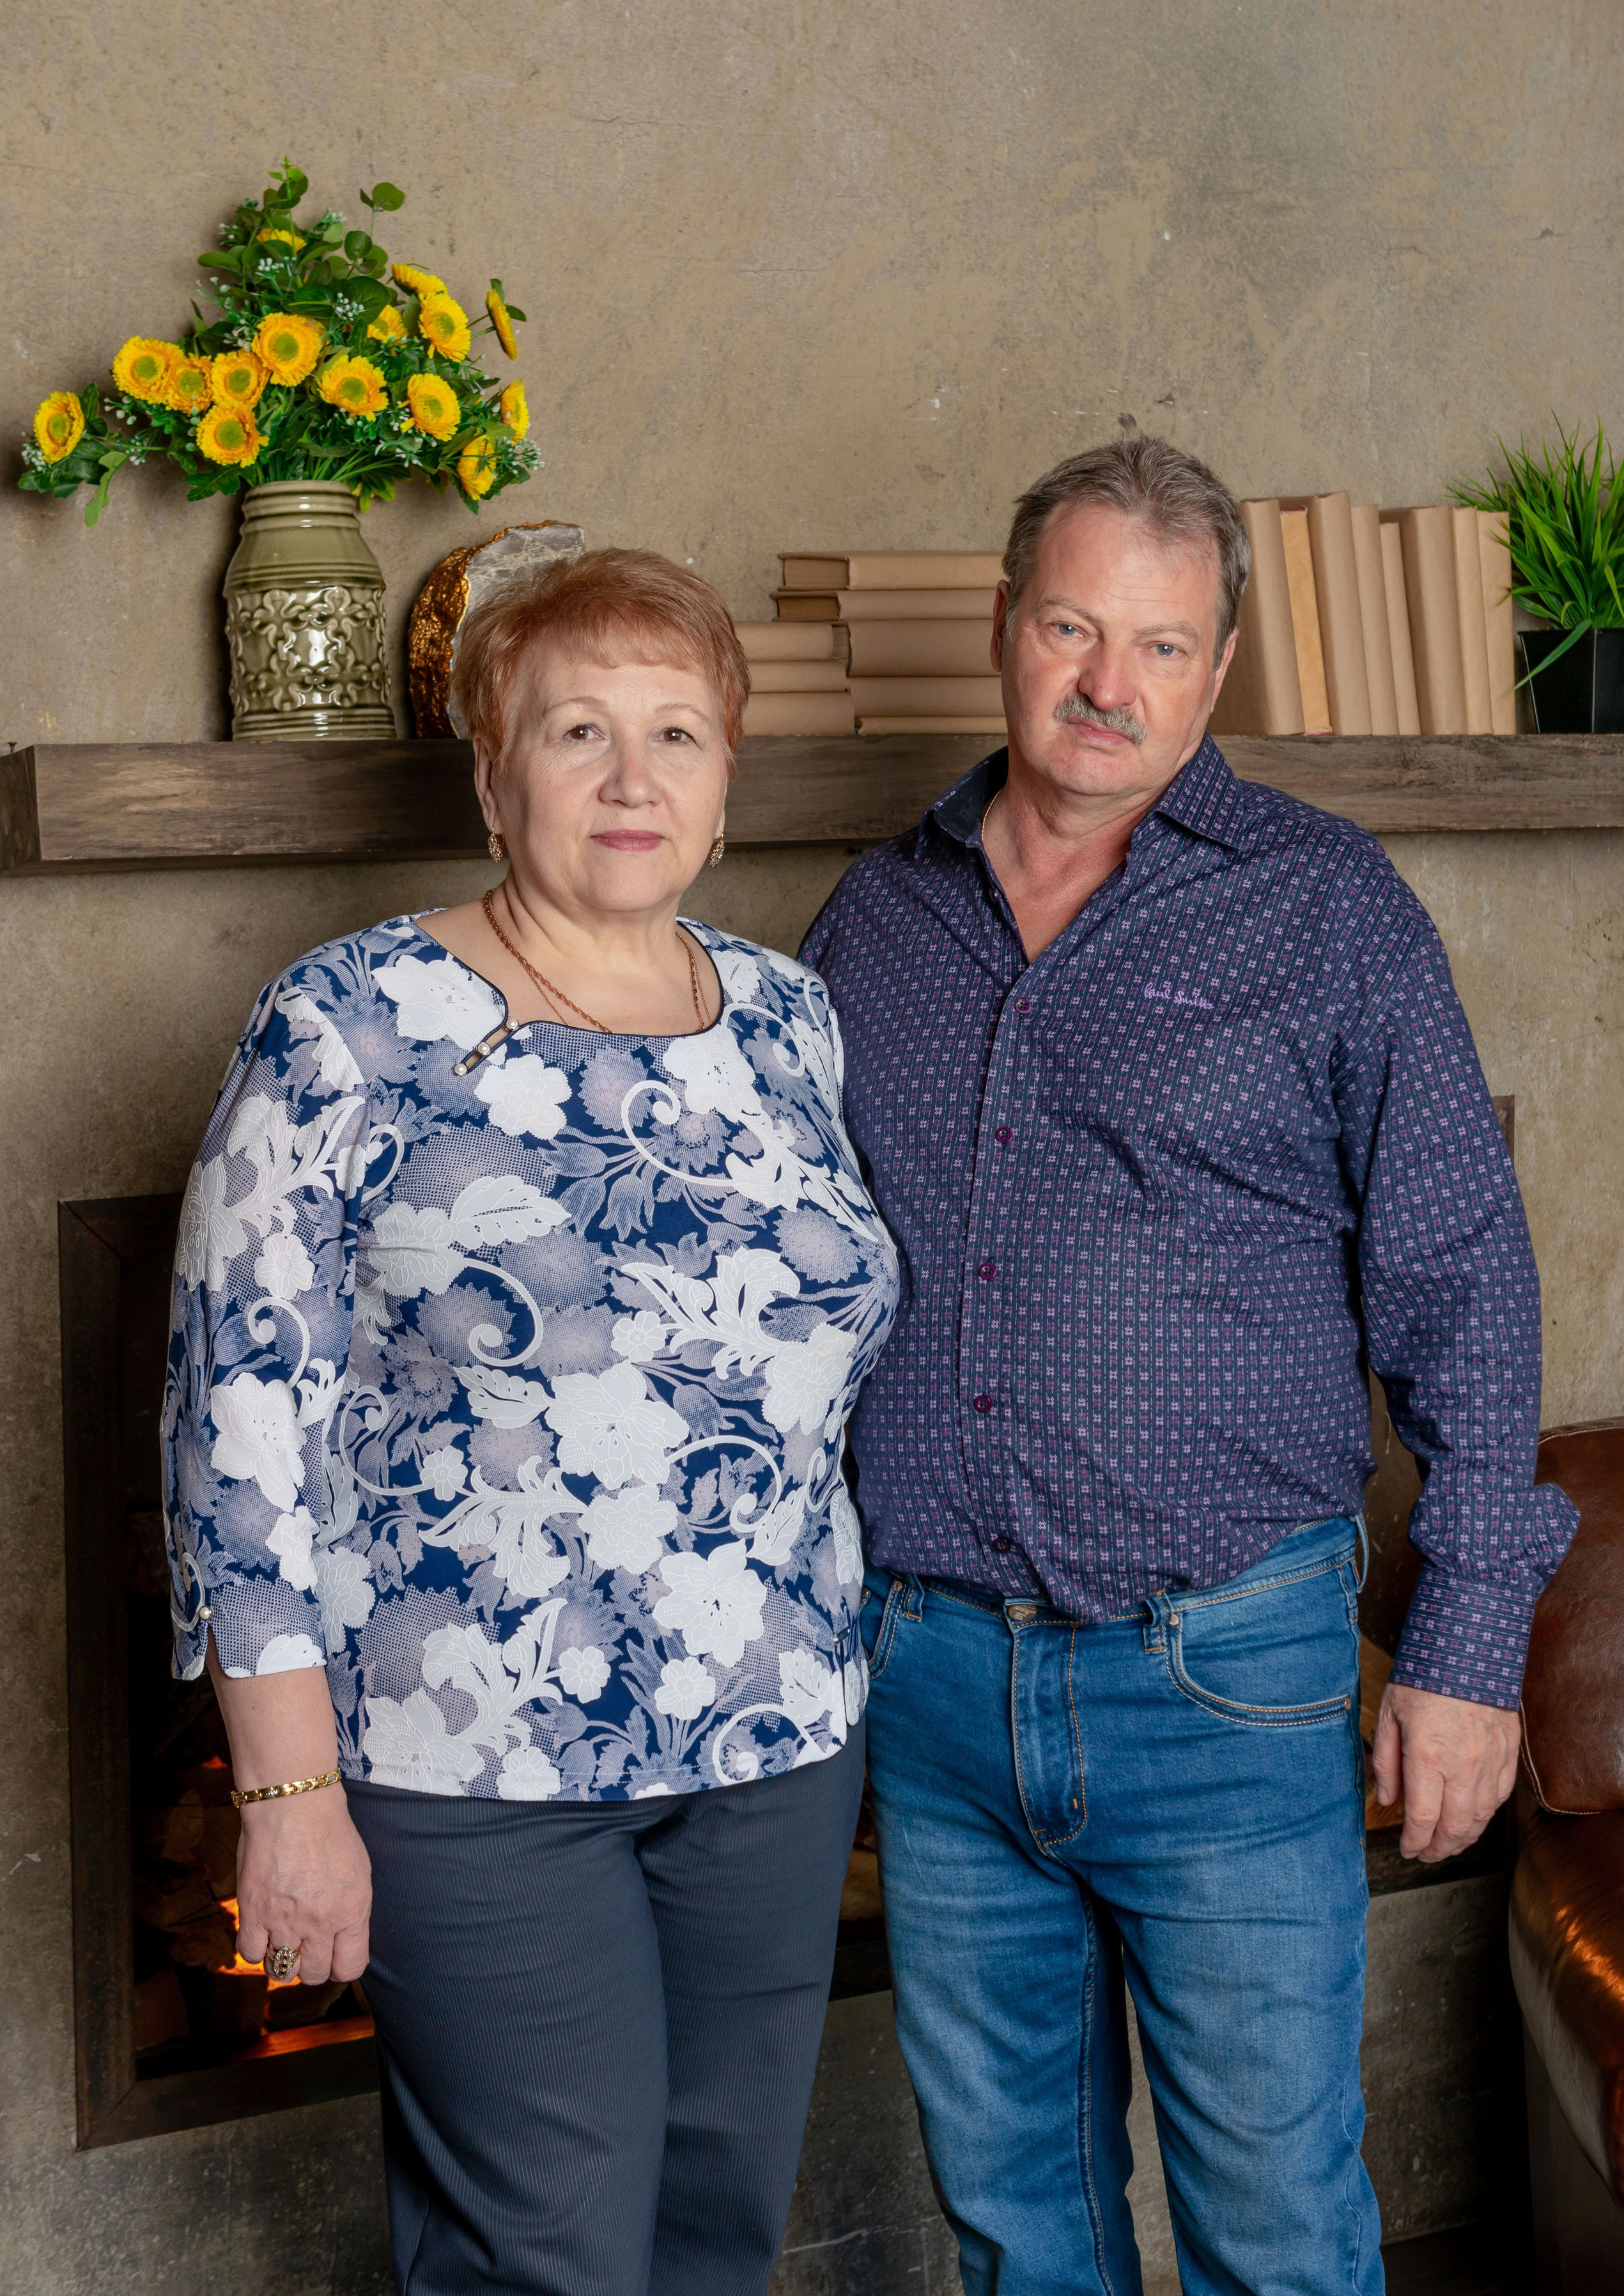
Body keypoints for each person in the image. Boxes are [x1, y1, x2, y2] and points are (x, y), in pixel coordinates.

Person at [800, 437, 1577, 2296]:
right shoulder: (868, 921)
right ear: (1005, 630)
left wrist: (1467, 1656)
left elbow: (1465, 1274)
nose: (1107, 684)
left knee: (1278, 2236)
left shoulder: (1325, 908)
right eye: (1072, 626)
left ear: (1215, 667)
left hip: (1222, 1674)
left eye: (1160, 644)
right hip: (935, 1682)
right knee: (1017, 2230)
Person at [162, 548, 899, 2296]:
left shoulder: (792, 1020)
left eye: (677, 734)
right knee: (546, 2246)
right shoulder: (347, 1023)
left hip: (774, 1739)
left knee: (716, 2227)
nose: (633, 778)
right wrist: (286, 1790)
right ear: (494, 777)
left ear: (725, 790)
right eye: (579, 731)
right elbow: (235, 1420)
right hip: (471, 1756)